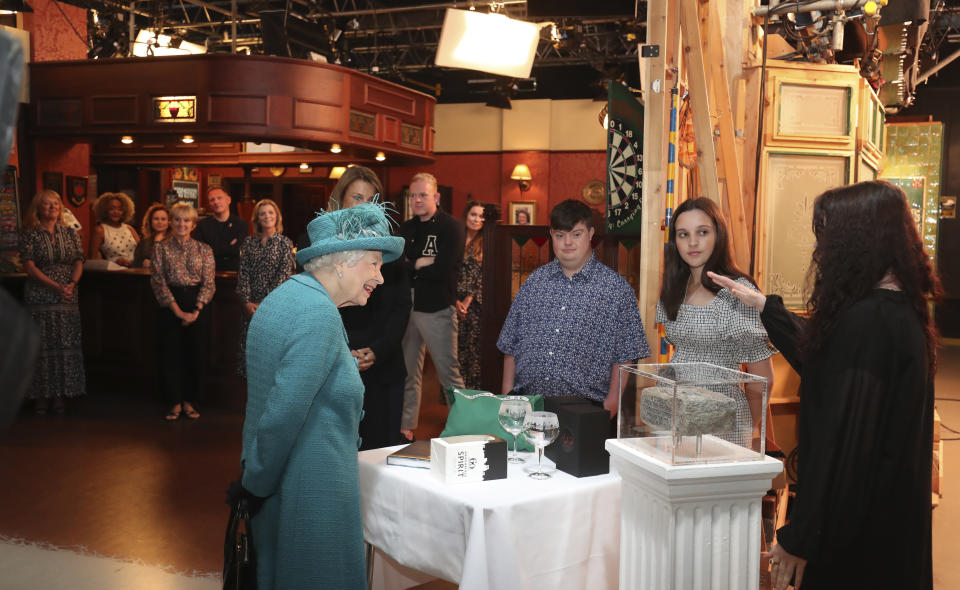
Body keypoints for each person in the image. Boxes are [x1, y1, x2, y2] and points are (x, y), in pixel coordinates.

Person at [709, 180, 940, 590]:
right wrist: (765, 307)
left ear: (858, 241)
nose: (821, 251)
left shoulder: (868, 321)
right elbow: (830, 360)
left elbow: (844, 445)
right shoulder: (898, 308)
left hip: (853, 537)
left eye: (828, 237)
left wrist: (802, 537)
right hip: (887, 523)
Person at [241, 201, 404, 590]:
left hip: (285, 490)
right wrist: (257, 486)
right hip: (309, 499)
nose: (380, 278)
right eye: (374, 264)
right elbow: (282, 414)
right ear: (341, 262)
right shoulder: (319, 315)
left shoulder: (287, 297)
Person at [497, 199, 650, 416]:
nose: (567, 242)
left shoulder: (615, 289)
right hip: (527, 405)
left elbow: (626, 354)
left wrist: (611, 405)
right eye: (560, 235)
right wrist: (507, 396)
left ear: (590, 234)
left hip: (585, 410)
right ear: (551, 235)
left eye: (576, 234)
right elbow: (510, 343)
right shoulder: (534, 282)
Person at [657, 197, 776, 447]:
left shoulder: (737, 291)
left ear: (718, 235)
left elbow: (760, 382)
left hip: (723, 422)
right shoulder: (675, 286)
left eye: (702, 232)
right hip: (674, 416)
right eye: (683, 234)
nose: (692, 242)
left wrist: (745, 430)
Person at [331, 166, 411, 449]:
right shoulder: (322, 248)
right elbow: (323, 308)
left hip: (384, 366)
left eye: (370, 199)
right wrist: (346, 354)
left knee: (382, 458)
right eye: (356, 197)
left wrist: (376, 351)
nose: (362, 206)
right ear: (340, 200)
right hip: (337, 365)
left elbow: (401, 309)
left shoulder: (391, 250)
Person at [399, 172, 466, 439]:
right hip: (407, 306)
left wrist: (413, 266)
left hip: (437, 307)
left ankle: (464, 427)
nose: (417, 200)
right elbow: (399, 267)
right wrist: (419, 264)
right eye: (413, 195)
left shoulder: (452, 227)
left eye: (422, 195)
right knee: (407, 371)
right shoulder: (406, 228)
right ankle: (406, 427)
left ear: (435, 197)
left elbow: (443, 268)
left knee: (448, 372)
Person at [19, 190, 86, 414]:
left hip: (67, 295)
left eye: (55, 204)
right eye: (47, 205)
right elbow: (29, 266)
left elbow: (78, 261)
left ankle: (60, 394)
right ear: (38, 209)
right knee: (42, 346)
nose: (52, 208)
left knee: (64, 344)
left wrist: (71, 284)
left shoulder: (70, 232)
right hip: (41, 295)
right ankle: (41, 396)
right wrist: (54, 286)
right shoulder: (30, 233)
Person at [150, 202, 215, 421]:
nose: (181, 224)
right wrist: (178, 311)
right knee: (171, 354)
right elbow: (158, 282)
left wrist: (196, 310)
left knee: (195, 354)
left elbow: (209, 284)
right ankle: (174, 402)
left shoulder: (204, 250)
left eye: (186, 220)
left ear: (193, 224)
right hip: (170, 305)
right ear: (171, 222)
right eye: (177, 219)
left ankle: (190, 401)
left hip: (198, 304)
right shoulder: (161, 248)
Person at [236, 199, 295, 378]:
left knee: (271, 357)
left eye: (270, 212)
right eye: (263, 213)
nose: (267, 216)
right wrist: (247, 302)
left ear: (277, 216)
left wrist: (264, 305)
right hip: (250, 309)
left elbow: (283, 276)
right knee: (251, 357)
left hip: (273, 307)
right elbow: (243, 273)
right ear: (257, 218)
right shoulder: (248, 243)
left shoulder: (285, 243)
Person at [456, 200, 485, 389]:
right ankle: (454, 402)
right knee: (453, 355)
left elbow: (485, 275)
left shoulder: (486, 243)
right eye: (473, 214)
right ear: (466, 215)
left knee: (472, 354)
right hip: (452, 301)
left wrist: (467, 301)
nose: (477, 219)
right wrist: (455, 300)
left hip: (475, 306)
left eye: (481, 216)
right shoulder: (455, 239)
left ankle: (473, 399)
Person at [195, 187, 249, 271]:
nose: (216, 202)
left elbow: (238, 250)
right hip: (209, 273)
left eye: (219, 198)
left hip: (235, 273)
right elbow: (202, 253)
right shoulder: (202, 225)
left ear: (229, 200)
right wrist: (229, 247)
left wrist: (213, 248)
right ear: (209, 204)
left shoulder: (241, 224)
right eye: (212, 200)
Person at [90, 192, 139, 266]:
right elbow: (92, 259)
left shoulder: (129, 229)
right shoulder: (100, 230)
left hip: (135, 270)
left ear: (125, 211)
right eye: (112, 209)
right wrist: (115, 263)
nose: (116, 212)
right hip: (113, 273)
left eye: (120, 209)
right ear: (105, 210)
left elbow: (142, 252)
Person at [133, 203, 170, 268]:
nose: (159, 222)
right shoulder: (144, 242)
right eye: (156, 219)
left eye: (163, 219)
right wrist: (142, 264)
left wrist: (152, 264)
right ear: (150, 221)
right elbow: (135, 264)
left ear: (169, 222)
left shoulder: (175, 241)